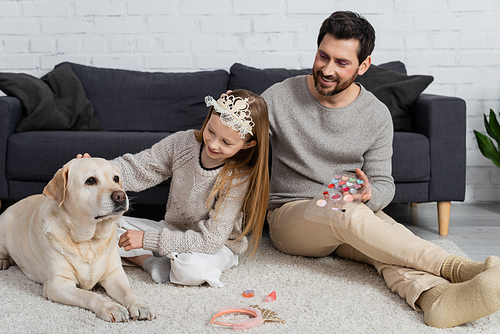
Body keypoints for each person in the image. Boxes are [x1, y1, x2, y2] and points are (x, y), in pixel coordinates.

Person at [262, 10, 500, 328]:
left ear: (364, 65)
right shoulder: (279, 97)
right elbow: (238, 146)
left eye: (342, 62)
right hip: (291, 217)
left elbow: (384, 184)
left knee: (387, 242)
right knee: (347, 209)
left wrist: (369, 193)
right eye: (323, 56)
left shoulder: (375, 114)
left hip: (347, 206)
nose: (327, 69)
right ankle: (461, 268)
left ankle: (436, 299)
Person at [79, 89, 269, 287]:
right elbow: (138, 168)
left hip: (214, 247)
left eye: (226, 142)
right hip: (171, 230)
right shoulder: (183, 143)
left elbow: (210, 241)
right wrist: (95, 170)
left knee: (192, 270)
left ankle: (160, 257)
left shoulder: (237, 178)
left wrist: (147, 240)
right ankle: (149, 262)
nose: (213, 143)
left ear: (248, 144)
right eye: (211, 131)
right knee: (97, 226)